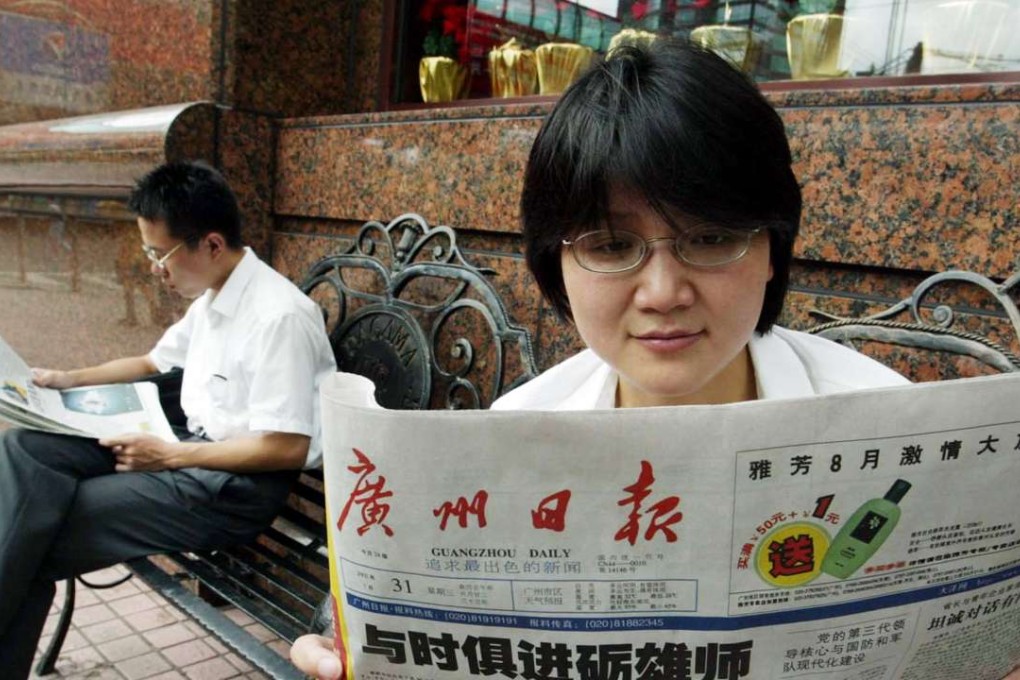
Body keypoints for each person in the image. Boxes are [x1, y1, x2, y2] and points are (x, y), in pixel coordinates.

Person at [289, 40, 1020, 679]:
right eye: (611, 246)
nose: (664, 292)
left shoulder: (890, 432)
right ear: (557, 266)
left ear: (772, 250)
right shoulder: (513, 436)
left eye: (709, 238)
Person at [0, 160, 337, 679]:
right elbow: (153, 363)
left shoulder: (279, 318)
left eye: (161, 255)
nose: (155, 268)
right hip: (183, 448)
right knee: (24, 445)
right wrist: (65, 380)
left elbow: (286, 446)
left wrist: (171, 455)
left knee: (39, 533)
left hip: (230, 488)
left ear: (212, 245)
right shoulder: (214, 296)